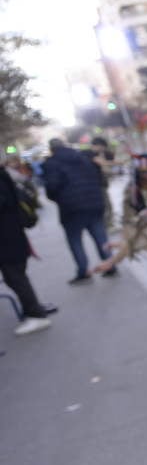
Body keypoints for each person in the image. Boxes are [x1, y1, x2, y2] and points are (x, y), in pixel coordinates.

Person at [40, 138, 113, 284]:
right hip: (94, 202)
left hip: (71, 208)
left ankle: (83, 271)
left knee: (75, 240)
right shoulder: (83, 158)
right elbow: (98, 177)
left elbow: (52, 188)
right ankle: (110, 265)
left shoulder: (51, 163)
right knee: (100, 236)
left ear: (51, 149)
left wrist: (59, 198)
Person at [0, 159, 53, 334]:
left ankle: (36, 315)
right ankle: (34, 309)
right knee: (16, 276)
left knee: (15, 277)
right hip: (12, 235)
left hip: (7, 238)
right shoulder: (4, 174)